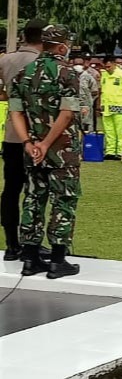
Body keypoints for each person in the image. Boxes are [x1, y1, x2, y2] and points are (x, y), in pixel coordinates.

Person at [9, 24, 80, 278]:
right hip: (62, 148)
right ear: (62, 46)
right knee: (64, 199)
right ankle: (58, 260)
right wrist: (47, 143)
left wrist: (28, 142)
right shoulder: (67, 73)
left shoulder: (23, 73)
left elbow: (15, 111)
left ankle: (30, 257)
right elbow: (67, 113)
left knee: (33, 197)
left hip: (33, 149)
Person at [0, 18, 44, 261]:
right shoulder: (44, 61)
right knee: (35, 191)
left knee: (11, 189)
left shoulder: (6, 59)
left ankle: (11, 243)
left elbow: (4, 92)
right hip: (37, 136)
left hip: (12, 135)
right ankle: (32, 243)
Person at [100, 55, 122, 160]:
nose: (107, 69)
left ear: (114, 64)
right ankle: (110, 151)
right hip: (106, 106)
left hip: (120, 105)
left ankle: (119, 151)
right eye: (106, 67)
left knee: (120, 130)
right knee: (109, 129)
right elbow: (103, 89)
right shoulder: (104, 75)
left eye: (109, 66)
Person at [71, 56, 99, 133]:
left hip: (85, 106)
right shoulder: (69, 76)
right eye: (76, 64)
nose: (78, 66)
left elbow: (95, 91)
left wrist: (89, 101)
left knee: (87, 125)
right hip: (72, 105)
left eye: (80, 64)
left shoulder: (88, 77)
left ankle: (88, 142)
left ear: (83, 65)